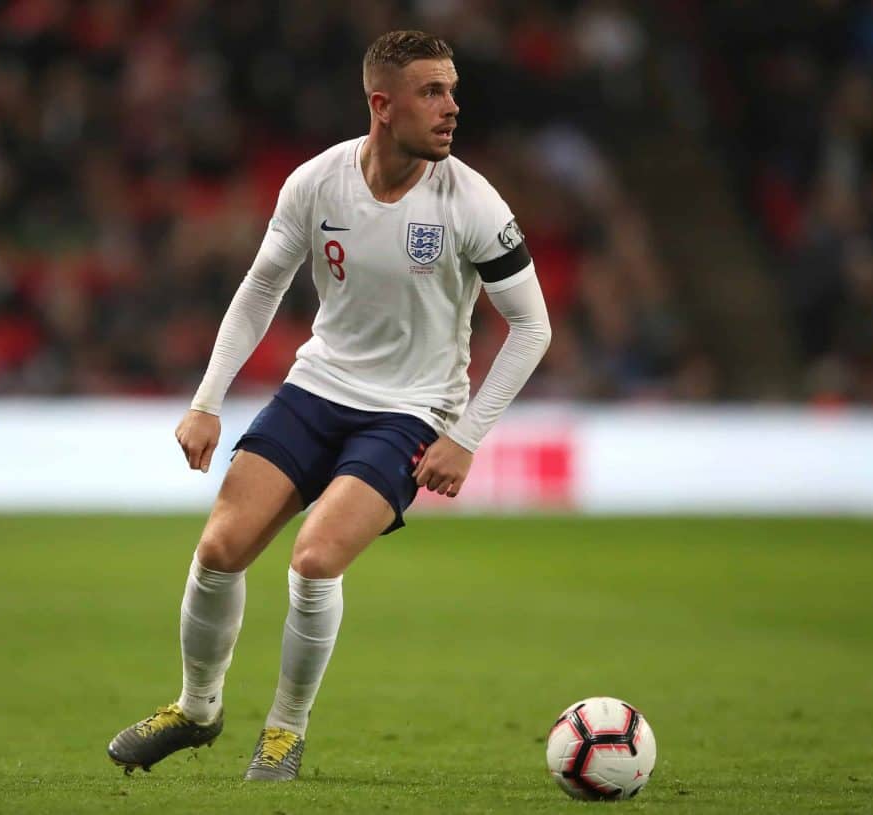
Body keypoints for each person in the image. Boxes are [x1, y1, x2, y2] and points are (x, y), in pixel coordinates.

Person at [106, 30, 552, 781]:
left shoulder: (472, 201)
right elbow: (261, 288)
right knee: (218, 550)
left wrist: (467, 436)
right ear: (383, 105)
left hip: (411, 412)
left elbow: (533, 326)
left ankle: (285, 730)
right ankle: (197, 708)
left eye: (452, 90)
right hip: (317, 388)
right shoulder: (316, 182)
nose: (452, 108)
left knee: (314, 560)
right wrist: (207, 400)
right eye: (432, 93)